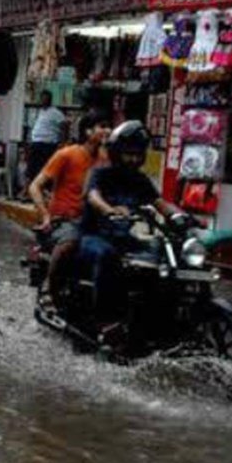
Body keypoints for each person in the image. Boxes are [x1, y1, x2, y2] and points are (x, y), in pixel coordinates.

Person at [79, 121, 186, 317]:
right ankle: (104, 318)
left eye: (138, 154)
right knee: (106, 255)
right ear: (116, 153)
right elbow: (93, 196)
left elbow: (159, 203)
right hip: (93, 236)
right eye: (128, 153)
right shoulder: (99, 174)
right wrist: (108, 210)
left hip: (123, 239)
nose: (133, 159)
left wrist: (180, 215)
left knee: (161, 255)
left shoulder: (140, 180)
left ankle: (157, 313)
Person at [28, 110, 112, 302]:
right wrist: (46, 215)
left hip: (94, 221)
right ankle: (49, 288)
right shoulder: (66, 154)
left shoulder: (106, 160)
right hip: (64, 220)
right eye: (102, 126)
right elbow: (35, 186)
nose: (108, 130)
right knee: (70, 243)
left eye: (109, 126)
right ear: (88, 132)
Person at [26, 91, 66, 189]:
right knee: (32, 168)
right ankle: (30, 189)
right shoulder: (40, 112)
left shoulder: (56, 113)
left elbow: (64, 127)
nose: (43, 100)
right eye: (42, 98)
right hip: (36, 143)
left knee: (45, 168)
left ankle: (44, 190)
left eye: (45, 98)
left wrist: (62, 142)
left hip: (48, 144)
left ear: (50, 100)